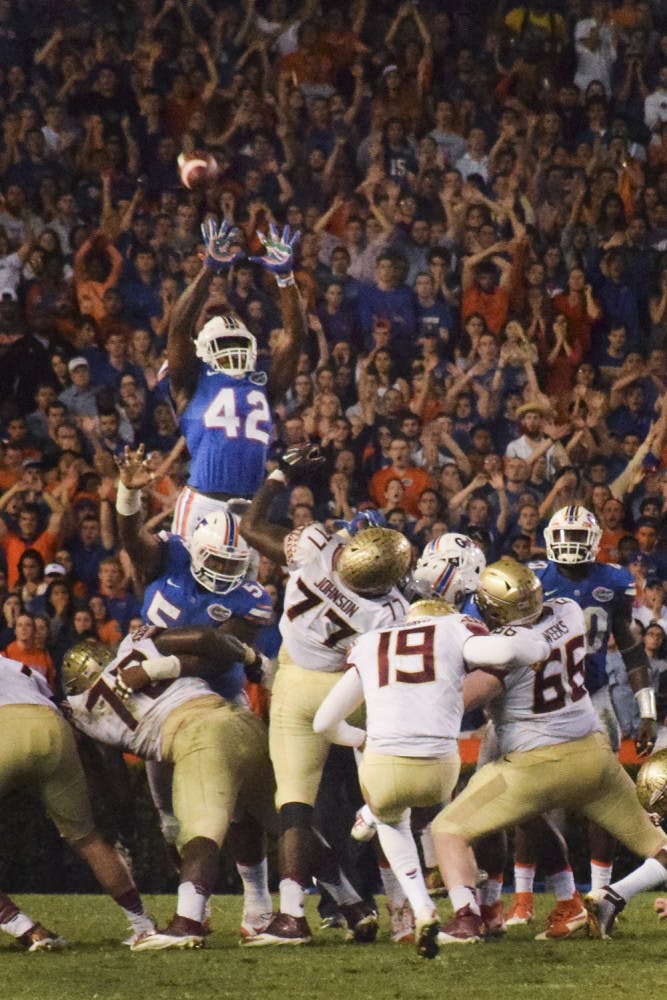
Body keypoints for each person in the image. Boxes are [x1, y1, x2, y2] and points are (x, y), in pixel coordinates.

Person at [430, 557, 667, 950]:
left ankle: (468, 917)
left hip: (531, 768)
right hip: (593, 759)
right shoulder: (570, 610)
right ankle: (605, 896)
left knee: (448, 830)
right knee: (658, 844)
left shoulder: (502, 649)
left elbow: (463, 701)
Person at [239, 452, 411, 945]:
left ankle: (293, 914)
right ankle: (396, 908)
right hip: (351, 690)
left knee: (294, 803)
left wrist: (278, 475)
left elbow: (251, 527)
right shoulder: (393, 607)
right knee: (385, 800)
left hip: (295, 684)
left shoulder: (317, 543)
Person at [115, 445, 275, 938]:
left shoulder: (251, 597)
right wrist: (127, 494)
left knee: (244, 805)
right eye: (217, 560)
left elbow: (220, 653)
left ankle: (258, 898)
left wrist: (160, 659)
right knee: (171, 816)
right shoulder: (171, 556)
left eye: (234, 563)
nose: (226, 573)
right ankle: (196, 906)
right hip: (160, 702)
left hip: (219, 698)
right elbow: (132, 540)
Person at [312, 535, 489, 958]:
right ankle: (474, 906)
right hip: (440, 765)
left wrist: (364, 739)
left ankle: (420, 906)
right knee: (433, 814)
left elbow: (323, 722)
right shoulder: (459, 626)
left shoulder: (377, 634)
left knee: (392, 814)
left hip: (384, 760)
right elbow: (495, 661)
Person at [62, 624, 275, 951]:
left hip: (194, 736)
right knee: (287, 818)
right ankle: (350, 903)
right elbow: (205, 646)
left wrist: (126, 831)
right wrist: (252, 658)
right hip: (236, 715)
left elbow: (112, 778)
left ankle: (189, 920)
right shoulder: (136, 647)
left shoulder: (82, 710)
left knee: (196, 829)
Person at [500, 504, 659, 924]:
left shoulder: (614, 581)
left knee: (601, 798)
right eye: (564, 537)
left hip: (594, 696)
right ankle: (523, 900)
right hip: (538, 700)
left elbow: (629, 648)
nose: (570, 546)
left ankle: (602, 894)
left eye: (577, 537)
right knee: (529, 799)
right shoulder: (532, 579)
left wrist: (647, 711)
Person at [0, 650, 155, 947]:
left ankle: (25, 928)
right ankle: (142, 925)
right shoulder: (23, 668)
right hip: (53, 729)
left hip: (6, 730)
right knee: (88, 840)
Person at [168, 220, 306, 540]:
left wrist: (285, 279)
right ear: (203, 348)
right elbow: (178, 327)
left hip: (248, 510)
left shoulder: (263, 382)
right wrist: (209, 270)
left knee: (242, 589)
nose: (232, 351)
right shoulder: (192, 378)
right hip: (202, 502)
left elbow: (296, 338)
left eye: (237, 343)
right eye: (223, 344)